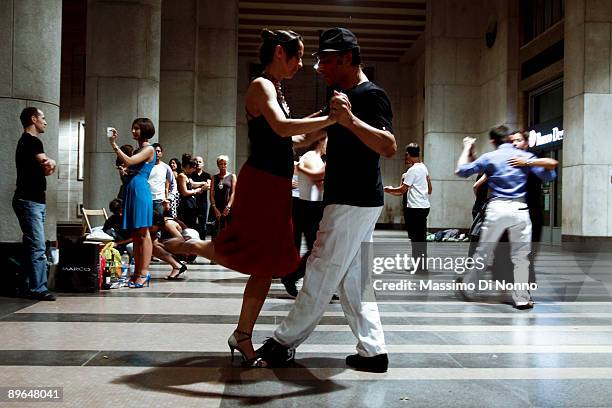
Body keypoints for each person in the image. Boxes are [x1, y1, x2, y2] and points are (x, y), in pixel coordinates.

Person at [165, 28, 335, 367]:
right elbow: (282, 127)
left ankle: (242, 334)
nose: (301, 63)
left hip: (275, 184)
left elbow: (293, 137)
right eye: (297, 55)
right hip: (261, 184)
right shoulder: (262, 86)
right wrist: (329, 117)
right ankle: (197, 247)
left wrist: (329, 123)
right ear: (278, 53)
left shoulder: (278, 88)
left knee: (267, 264)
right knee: (254, 254)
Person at [258, 27, 397, 373]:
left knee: (319, 268)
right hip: (354, 198)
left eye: (326, 60)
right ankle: (373, 350)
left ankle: (282, 341)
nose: (318, 66)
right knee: (354, 279)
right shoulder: (340, 95)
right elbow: (309, 132)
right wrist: (275, 130)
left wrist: (349, 121)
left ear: (348, 58)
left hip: (354, 198)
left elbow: (388, 145)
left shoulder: (370, 95)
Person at [455, 126, 556, 310]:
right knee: (521, 257)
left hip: (497, 207)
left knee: (484, 252)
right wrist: (528, 164)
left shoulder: (490, 157)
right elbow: (550, 173)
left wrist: (466, 147)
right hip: (520, 208)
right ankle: (522, 298)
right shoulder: (524, 157)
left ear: (493, 141)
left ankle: (469, 289)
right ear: (509, 139)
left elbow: (462, 170)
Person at [13, 107, 57, 301]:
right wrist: (52, 161)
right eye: (43, 118)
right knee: (38, 246)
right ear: (33, 119)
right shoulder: (32, 141)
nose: (45, 122)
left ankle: (24, 285)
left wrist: (50, 165)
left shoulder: (25, 142)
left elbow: (46, 170)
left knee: (31, 245)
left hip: (33, 200)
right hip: (30, 200)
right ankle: (38, 288)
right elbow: (47, 164)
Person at [109, 118, 156, 289]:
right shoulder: (139, 149)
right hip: (132, 190)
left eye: (137, 128)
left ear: (145, 130)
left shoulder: (149, 149)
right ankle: (137, 272)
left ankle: (144, 272)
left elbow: (129, 161)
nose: (134, 131)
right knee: (136, 235)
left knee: (143, 233)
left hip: (140, 191)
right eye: (133, 128)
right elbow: (130, 167)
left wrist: (114, 145)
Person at [282, 137, 327, 297]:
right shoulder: (309, 156)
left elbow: (319, 183)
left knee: (318, 250)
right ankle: (291, 277)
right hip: (307, 207)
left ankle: (316, 286)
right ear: (321, 141)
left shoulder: (318, 159)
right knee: (317, 250)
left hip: (314, 207)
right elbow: (316, 179)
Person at [384, 143, 432, 273]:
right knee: (420, 238)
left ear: (408, 154)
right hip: (424, 206)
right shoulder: (423, 167)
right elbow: (430, 189)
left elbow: (401, 190)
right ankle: (421, 266)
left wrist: (388, 190)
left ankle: (420, 267)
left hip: (415, 208)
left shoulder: (412, 171)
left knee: (416, 239)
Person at [209, 155, 236, 239]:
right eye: (221, 164)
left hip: (227, 208)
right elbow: (211, 194)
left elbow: (233, 192)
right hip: (216, 208)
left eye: (225, 164)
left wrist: (228, 207)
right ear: (218, 165)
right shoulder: (214, 177)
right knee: (215, 234)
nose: (223, 166)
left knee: (227, 232)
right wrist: (214, 208)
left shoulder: (232, 176)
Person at [176, 154, 204, 230]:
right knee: (188, 226)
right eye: (193, 168)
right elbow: (184, 192)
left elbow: (192, 184)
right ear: (188, 166)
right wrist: (196, 191)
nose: (194, 170)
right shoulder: (181, 176)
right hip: (185, 206)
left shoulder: (187, 175)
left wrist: (203, 183)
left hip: (191, 205)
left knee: (192, 225)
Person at [148, 143, 175, 219]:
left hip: (159, 200)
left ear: (161, 153)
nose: (157, 153)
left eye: (159, 151)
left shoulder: (165, 167)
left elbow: (173, 183)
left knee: (159, 223)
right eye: (154, 151)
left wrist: (169, 198)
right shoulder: (146, 166)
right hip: (147, 199)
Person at [190, 156, 211, 239]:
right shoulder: (191, 174)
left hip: (203, 202)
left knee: (202, 223)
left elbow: (208, 185)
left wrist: (199, 190)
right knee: (192, 222)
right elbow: (191, 184)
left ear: (203, 164)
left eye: (199, 162)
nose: (198, 163)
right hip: (192, 202)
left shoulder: (207, 175)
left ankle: (202, 240)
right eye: (196, 162)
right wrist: (203, 184)